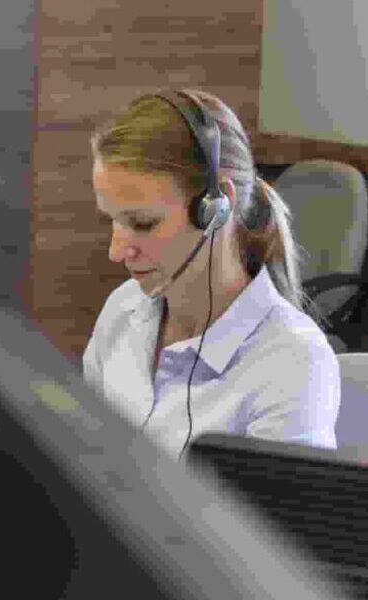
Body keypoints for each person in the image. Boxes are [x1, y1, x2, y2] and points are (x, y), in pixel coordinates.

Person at [84, 88, 340, 452]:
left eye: (142, 223)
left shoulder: (293, 364)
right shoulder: (122, 310)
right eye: (112, 220)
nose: (116, 251)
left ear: (216, 208)